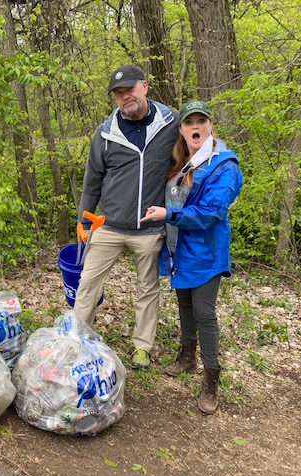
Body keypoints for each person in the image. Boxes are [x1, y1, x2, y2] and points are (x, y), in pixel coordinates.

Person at [140, 100, 243, 414]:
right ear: (181, 129)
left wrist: (168, 214)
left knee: (204, 312)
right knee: (183, 302)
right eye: (189, 123)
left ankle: (211, 378)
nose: (195, 127)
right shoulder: (180, 160)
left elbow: (212, 212)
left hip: (206, 252)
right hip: (178, 249)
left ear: (210, 125)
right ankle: (187, 357)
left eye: (201, 121)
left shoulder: (224, 164)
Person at [74, 64, 179, 369]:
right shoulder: (106, 133)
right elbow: (92, 179)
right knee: (87, 284)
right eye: (118, 93)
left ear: (145, 87)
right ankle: (78, 339)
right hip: (108, 225)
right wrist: (84, 220)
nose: (125, 97)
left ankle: (142, 348)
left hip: (149, 228)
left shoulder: (170, 124)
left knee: (147, 289)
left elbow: (197, 147)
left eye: (130, 89)